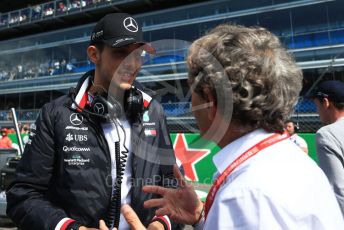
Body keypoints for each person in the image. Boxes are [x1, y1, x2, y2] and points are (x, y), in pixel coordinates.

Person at [118, 24, 344, 229]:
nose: (190, 104)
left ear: (211, 101)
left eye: (191, 91)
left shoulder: (245, 196)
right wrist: (200, 218)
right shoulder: (291, 162)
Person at [6, 13, 181, 230]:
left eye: (137, 54)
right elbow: (22, 195)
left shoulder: (153, 110)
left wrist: (161, 225)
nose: (132, 64)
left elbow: (171, 183)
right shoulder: (56, 114)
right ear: (93, 54)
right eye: (120, 53)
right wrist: (72, 228)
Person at [311, 80, 344, 217]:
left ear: (326, 102)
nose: (317, 111)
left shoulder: (327, 134)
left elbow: (339, 189)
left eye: (317, 105)